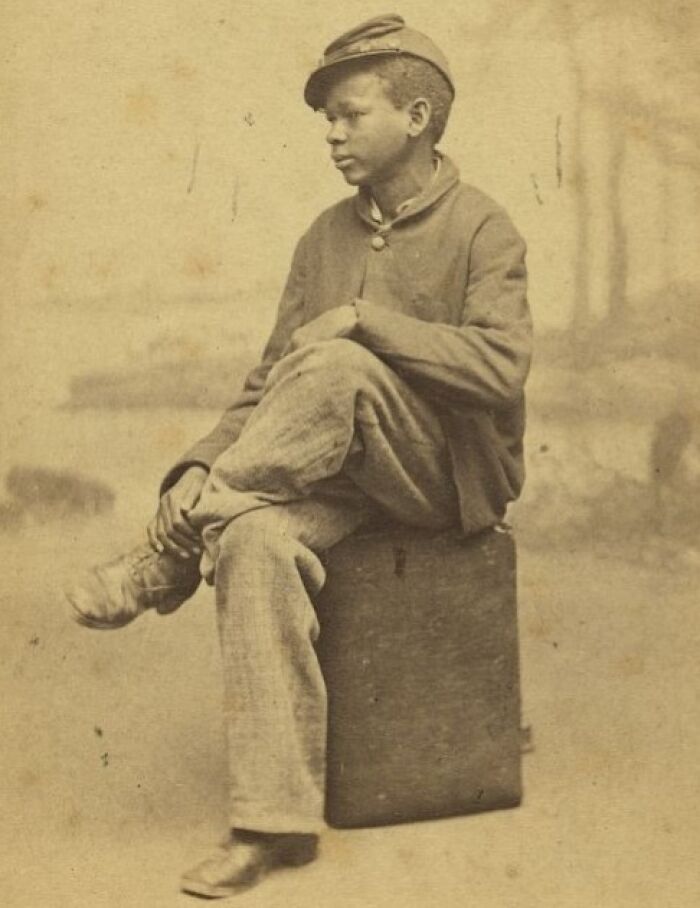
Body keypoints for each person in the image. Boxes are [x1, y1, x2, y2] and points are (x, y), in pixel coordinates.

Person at [66, 13, 532, 900]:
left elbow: (502, 366)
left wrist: (365, 322)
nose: (332, 133)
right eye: (328, 118)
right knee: (253, 542)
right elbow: (268, 383)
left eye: (351, 114)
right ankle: (272, 826)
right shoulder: (324, 236)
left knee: (338, 359)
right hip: (342, 478)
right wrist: (200, 467)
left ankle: (164, 561)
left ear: (420, 116)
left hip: (446, 478)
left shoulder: (484, 228)